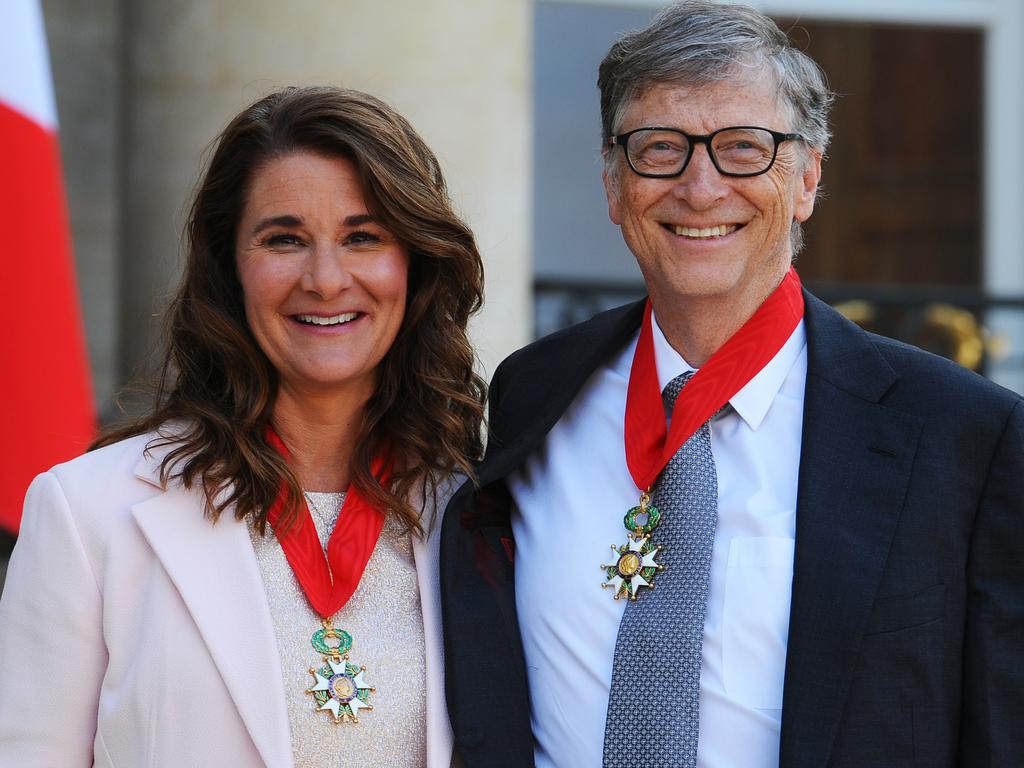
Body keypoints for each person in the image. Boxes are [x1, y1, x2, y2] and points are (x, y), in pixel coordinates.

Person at [440, 2, 1024, 766]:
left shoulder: (964, 437)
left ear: (808, 178)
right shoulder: (533, 394)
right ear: (614, 185)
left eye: (744, 148)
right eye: (659, 148)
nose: (701, 187)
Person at [0, 85, 485, 768]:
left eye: (363, 237)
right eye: (283, 239)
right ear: (229, 267)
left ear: (414, 263)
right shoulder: (87, 514)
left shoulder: (474, 512)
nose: (325, 278)